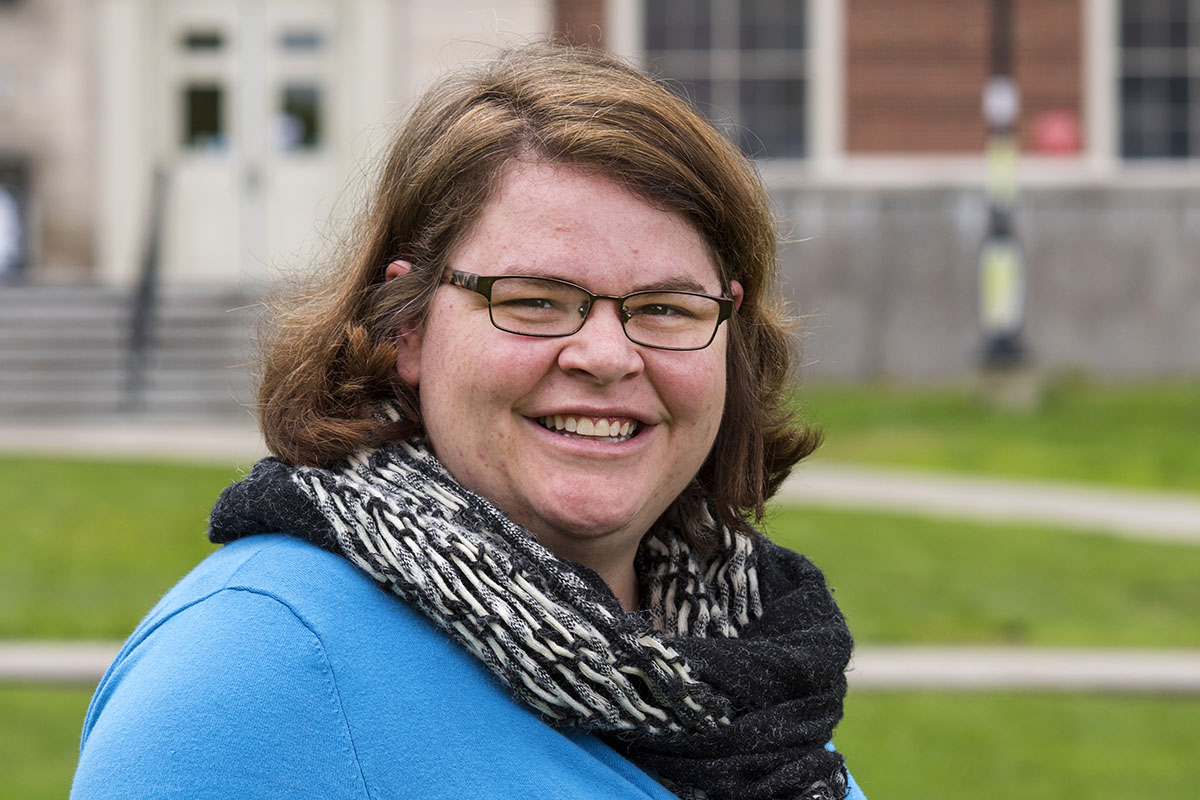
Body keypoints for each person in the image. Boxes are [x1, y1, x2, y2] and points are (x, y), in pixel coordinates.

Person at [72, 44, 864, 800]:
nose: (606, 355)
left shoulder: (748, 663)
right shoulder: (252, 672)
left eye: (663, 307)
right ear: (406, 327)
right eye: (533, 300)